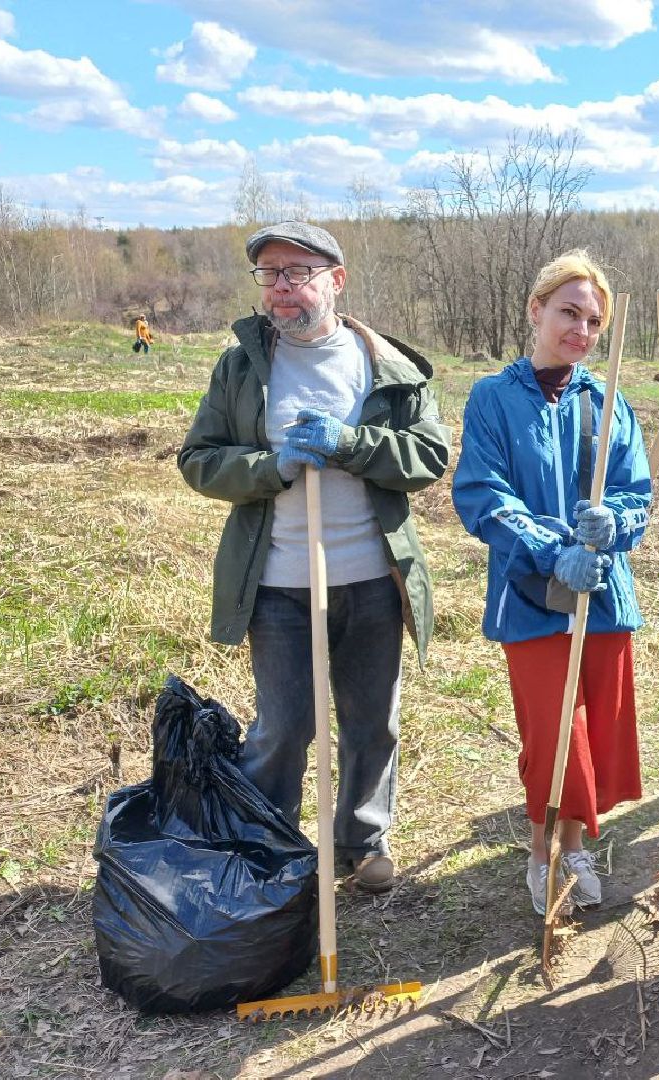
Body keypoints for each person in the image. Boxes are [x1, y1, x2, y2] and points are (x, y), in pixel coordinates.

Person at [178, 221, 451, 895]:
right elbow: (199, 461)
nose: (281, 290)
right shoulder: (242, 367)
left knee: (371, 723)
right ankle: (270, 850)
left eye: (297, 273)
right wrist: (271, 465)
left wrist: (353, 445)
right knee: (285, 725)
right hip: (277, 585)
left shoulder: (389, 366)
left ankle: (360, 843)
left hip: (371, 580)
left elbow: (429, 457)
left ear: (336, 279)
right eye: (269, 275)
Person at [452, 250, 652, 916]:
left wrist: (612, 523)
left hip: (602, 594)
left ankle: (575, 847)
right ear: (536, 309)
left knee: (596, 736)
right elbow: (481, 493)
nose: (581, 330)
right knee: (553, 735)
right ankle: (542, 855)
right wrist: (548, 549)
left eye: (593, 320)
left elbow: (636, 494)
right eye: (569, 312)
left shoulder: (609, 400)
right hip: (533, 598)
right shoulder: (492, 398)